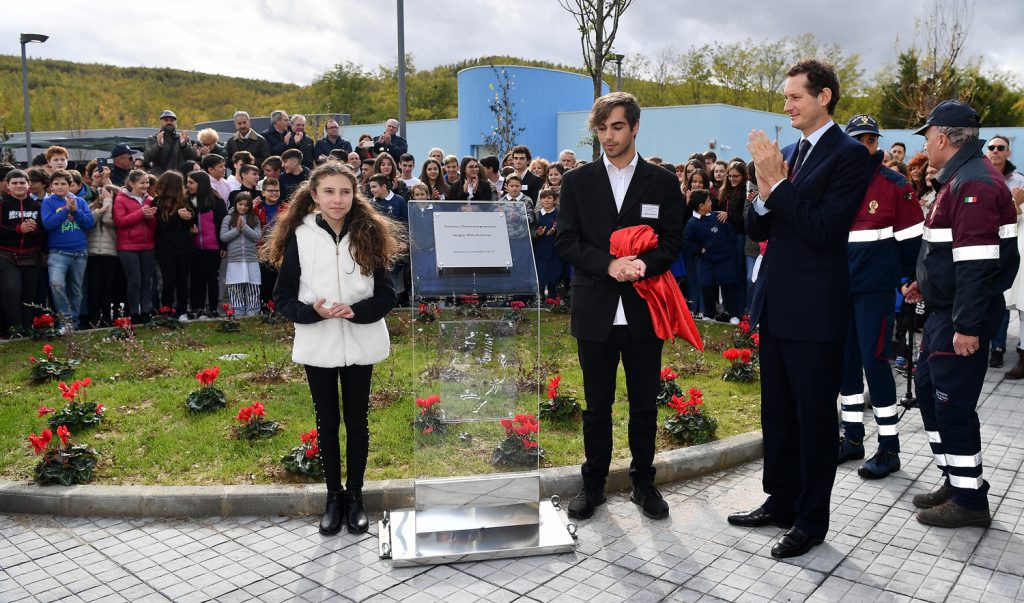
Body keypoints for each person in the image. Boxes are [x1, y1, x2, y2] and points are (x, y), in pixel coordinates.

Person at [729, 59, 872, 559]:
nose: (786, 105)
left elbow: (823, 229)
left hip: (816, 310)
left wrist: (779, 186)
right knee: (779, 415)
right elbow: (757, 228)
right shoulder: (787, 153)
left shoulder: (851, 156)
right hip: (777, 305)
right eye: (786, 97)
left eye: (795, 97)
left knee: (814, 420)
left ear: (824, 97)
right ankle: (782, 500)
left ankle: (812, 519)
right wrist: (764, 190)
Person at [555, 91, 684, 522]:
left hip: (645, 308)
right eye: (601, 128)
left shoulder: (663, 183)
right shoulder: (576, 181)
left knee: (645, 404)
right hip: (595, 308)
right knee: (597, 405)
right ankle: (593, 484)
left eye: (616, 127)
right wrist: (609, 265)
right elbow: (566, 241)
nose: (608, 137)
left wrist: (642, 265)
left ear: (635, 127)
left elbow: (672, 242)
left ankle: (643, 484)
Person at [265, 162, 399, 535]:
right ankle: (333, 497)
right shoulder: (301, 235)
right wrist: (313, 313)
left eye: (344, 192)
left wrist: (357, 311)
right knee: (327, 423)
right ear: (314, 195)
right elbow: (282, 297)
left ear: (354, 194)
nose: (337, 199)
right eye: (328, 192)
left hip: (361, 341)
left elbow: (388, 295)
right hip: (319, 343)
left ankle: (355, 496)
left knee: (357, 422)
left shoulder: (369, 232)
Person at [903, 100, 1019, 528]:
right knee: (932, 392)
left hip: (960, 316)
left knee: (951, 404)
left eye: (928, 135)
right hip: (944, 308)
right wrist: (925, 283)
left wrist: (967, 326)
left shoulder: (974, 184)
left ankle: (970, 499)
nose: (927, 144)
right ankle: (955, 476)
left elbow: (976, 264)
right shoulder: (959, 179)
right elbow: (946, 251)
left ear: (944, 137)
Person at [836, 115, 923, 480]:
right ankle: (852, 438)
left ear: (877, 143)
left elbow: (913, 243)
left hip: (874, 292)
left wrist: (908, 280)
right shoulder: (836, 182)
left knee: (875, 365)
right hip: (839, 290)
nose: (863, 146)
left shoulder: (895, 185)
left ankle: (889, 448)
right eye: (857, 139)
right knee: (845, 366)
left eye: (869, 140)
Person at [981, 135, 1024, 374]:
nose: (995, 151)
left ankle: (998, 348)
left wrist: (1015, 204)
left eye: (1001, 148)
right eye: (992, 147)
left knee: (1003, 296)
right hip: (983, 245)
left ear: (1008, 152)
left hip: (1009, 247)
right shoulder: (980, 178)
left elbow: (1019, 215)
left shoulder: (1019, 182)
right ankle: (984, 343)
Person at [41, 170, 94, 332]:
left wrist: (76, 211)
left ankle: (74, 323)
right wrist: (65, 210)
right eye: (56, 184)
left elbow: (89, 223)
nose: (59, 187)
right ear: (50, 186)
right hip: (58, 253)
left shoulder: (80, 201)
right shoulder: (48, 202)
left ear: (70, 185)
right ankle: (66, 320)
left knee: (76, 290)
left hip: (79, 252)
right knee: (56, 284)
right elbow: (48, 224)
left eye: (63, 183)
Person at [682, 189, 740, 322]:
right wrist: (698, 250)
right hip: (707, 261)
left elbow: (731, 233)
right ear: (701, 206)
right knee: (706, 285)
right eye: (708, 200)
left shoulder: (717, 216)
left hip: (725, 259)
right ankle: (710, 314)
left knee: (728, 285)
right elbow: (685, 242)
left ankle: (733, 314)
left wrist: (729, 249)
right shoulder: (691, 223)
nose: (711, 202)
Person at [0, 170, 44, 337]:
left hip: (32, 256)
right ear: (8, 186)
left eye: (22, 183)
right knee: (11, 290)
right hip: (6, 256)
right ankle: (13, 329)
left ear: (28, 185)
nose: (19, 186)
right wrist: (18, 229)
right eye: (15, 183)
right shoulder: (2, 205)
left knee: (29, 293)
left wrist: (34, 230)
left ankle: (27, 328)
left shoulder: (38, 206)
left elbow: (45, 230)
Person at [113, 170, 158, 323]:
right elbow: (120, 222)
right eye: (142, 183)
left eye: (147, 182)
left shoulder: (150, 200)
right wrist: (140, 213)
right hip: (128, 246)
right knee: (134, 280)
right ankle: (134, 312)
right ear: (132, 183)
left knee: (147, 280)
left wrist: (150, 217)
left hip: (148, 245)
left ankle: (145, 310)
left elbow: (153, 226)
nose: (145, 185)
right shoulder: (120, 199)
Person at [186, 171, 227, 319]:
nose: (188, 186)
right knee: (197, 278)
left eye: (191, 183)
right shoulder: (188, 201)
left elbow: (223, 224)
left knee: (212, 278)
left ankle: (213, 307)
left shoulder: (216, 201)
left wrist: (223, 246)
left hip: (213, 247)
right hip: (195, 247)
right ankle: (197, 307)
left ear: (201, 184)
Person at [153, 171, 194, 319]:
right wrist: (177, 216)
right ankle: (166, 310)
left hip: (184, 247)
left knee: (183, 280)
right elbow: (161, 226)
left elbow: (190, 221)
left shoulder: (185, 201)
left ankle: (182, 310)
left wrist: (187, 217)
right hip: (166, 248)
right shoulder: (156, 202)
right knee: (168, 280)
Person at [220, 192, 262, 317]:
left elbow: (257, 236)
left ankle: (253, 310)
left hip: (251, 259)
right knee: (235, 286)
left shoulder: (254, 219)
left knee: (252, 286)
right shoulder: (228, 218)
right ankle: (238, 310)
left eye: (246, 205)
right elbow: (224, 237)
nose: (243, 207)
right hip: (235, 260)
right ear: (235, 204)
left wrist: (244, 227)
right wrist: (237, 229)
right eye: (240, 204)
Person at [86, 184, 121, 327]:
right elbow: (88, 223)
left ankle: (107, 316)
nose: (103, 197)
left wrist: (109, 203)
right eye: (101, 194)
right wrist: (98, 211)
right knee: (94, 287)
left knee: (107, 287)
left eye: (107, 195)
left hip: (110, 253)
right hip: (92, 253)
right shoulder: (90, 208)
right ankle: (93, 317)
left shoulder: (114, 210)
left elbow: (108, 221)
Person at [144, 110, 197, 175]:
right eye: (166, 120)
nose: (169, 122)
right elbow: (147, 158)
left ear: (175, 122)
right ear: (161, 122)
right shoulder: (153, 138)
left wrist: (184, 146)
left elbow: (192, 156)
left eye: (172, 120)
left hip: (179, 177)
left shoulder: (182, 138)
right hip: (160, 178)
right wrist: (158, 146)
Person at [533, 188, 563, 299]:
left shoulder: (559, 214)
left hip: (554, 248)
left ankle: (553, 296)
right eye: (543, 198)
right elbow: (532, 231)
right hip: (540, 248)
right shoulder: (536, 215)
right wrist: (538, 233)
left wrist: (556, 231)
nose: (546, 200)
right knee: (541, 270)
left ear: (554, 200)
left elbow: (564, 228)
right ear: (540, 200)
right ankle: (540, 295)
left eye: (549, 198)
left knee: (554, 271)